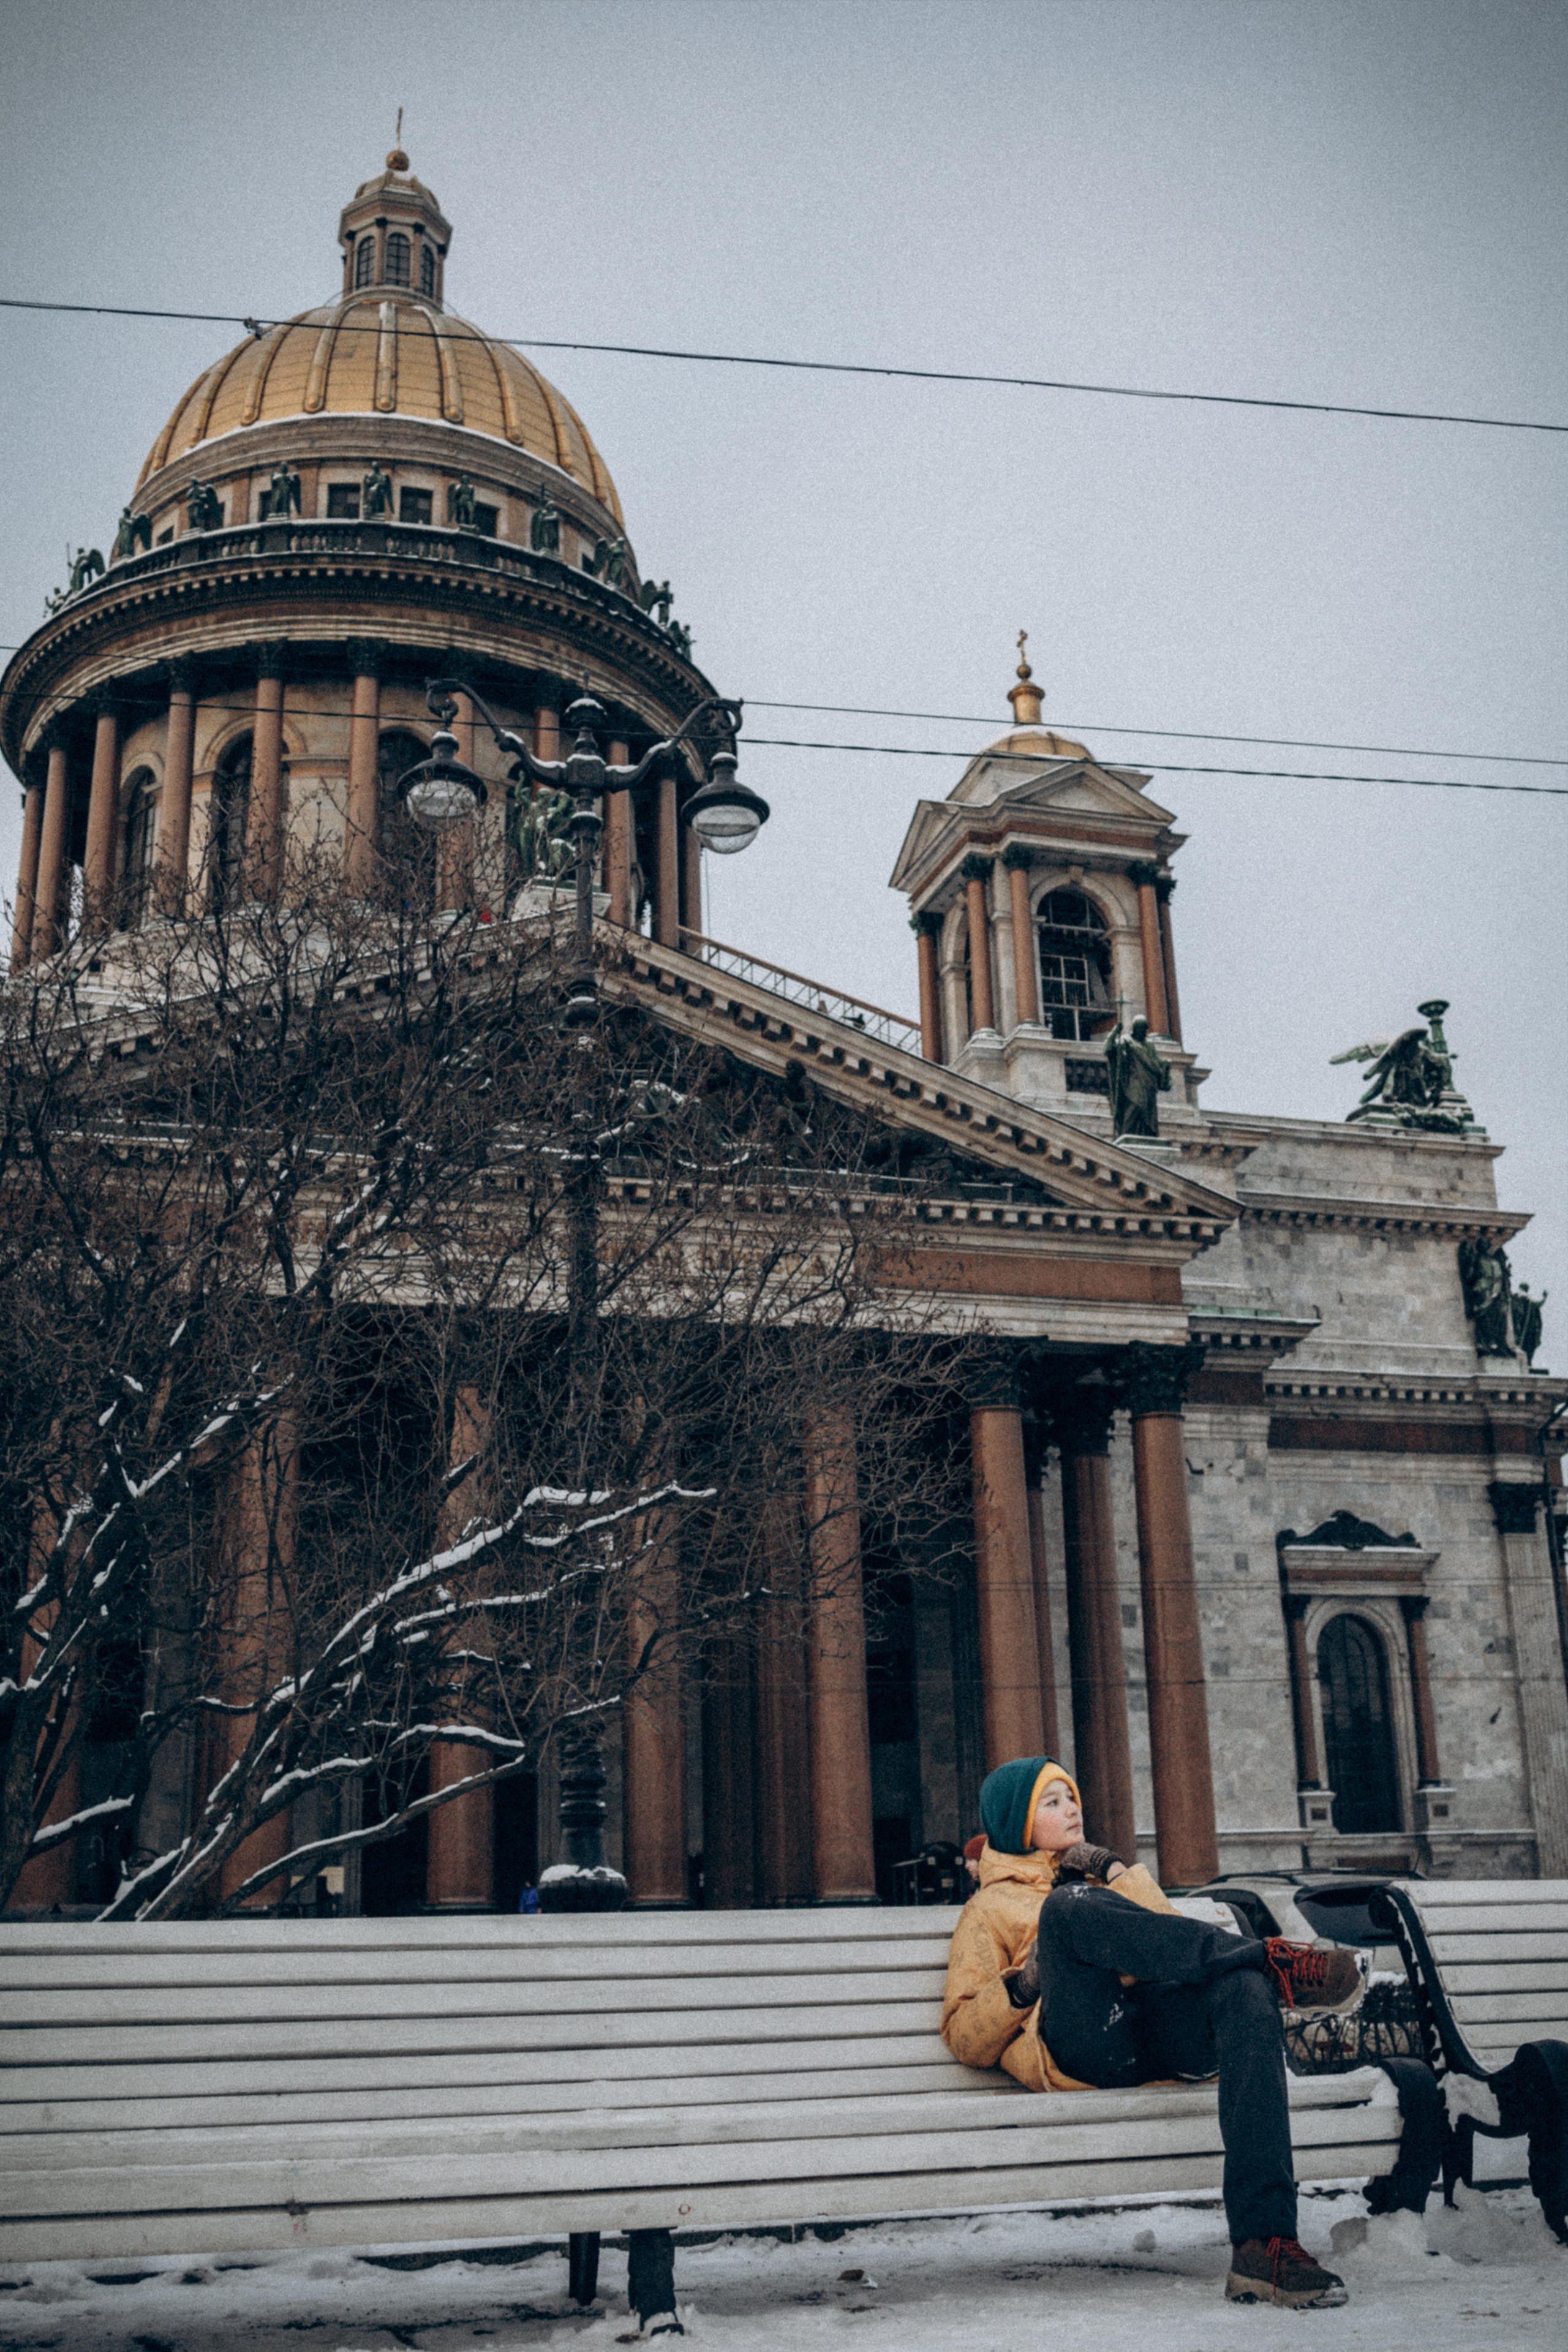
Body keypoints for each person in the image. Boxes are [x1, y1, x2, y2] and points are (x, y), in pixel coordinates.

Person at [941, 1755, 1364, 2310]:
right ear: (1017, 1821)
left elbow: (1181, 1952)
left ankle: (1265, 2247)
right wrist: (1023, 1984)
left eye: (1072, 1796)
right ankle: (1273, 1961)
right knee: (1065, 1909)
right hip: (1085, 2047)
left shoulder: (1099, 1883)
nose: (1073, 1808)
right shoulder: (989, 1908)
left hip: (1154, 2036)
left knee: (1243, 1991)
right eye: (1053, 1801)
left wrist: (1116, 1871)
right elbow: (965, 2038)